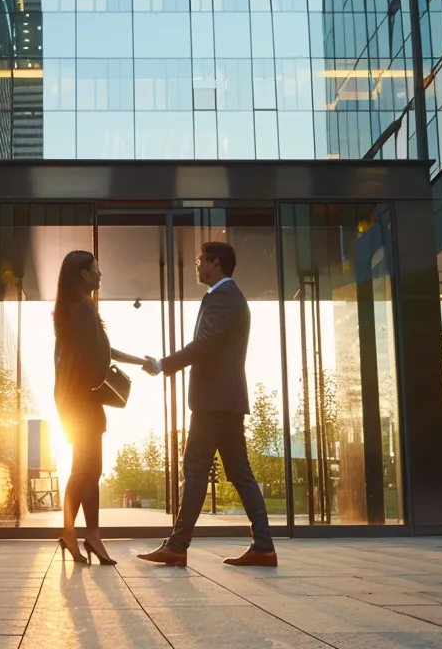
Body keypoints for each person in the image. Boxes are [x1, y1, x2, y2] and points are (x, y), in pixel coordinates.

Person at [137, 241, 277, 568]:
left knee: (196, 469)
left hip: (214, 402)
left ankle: (177, 545)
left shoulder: (225, 297)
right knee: (241, 474)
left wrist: (163, 364)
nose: (197, 265)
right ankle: (263, 547)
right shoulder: (225, 297)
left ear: (216, 262)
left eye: (201, 260)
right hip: (224, 401)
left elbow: (205, 344)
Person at [53, 250, 149, 565]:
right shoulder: (81, 310)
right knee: (85, 468)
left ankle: (80, 533)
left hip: (78, 400)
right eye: (96, 268)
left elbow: (104, 350)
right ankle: (82, 533)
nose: (100, 273)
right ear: (83, 273)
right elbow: (91, 359)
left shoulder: (76, 309)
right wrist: (103, 383)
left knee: (88, 469)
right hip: (82, 402)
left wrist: (140, 361)